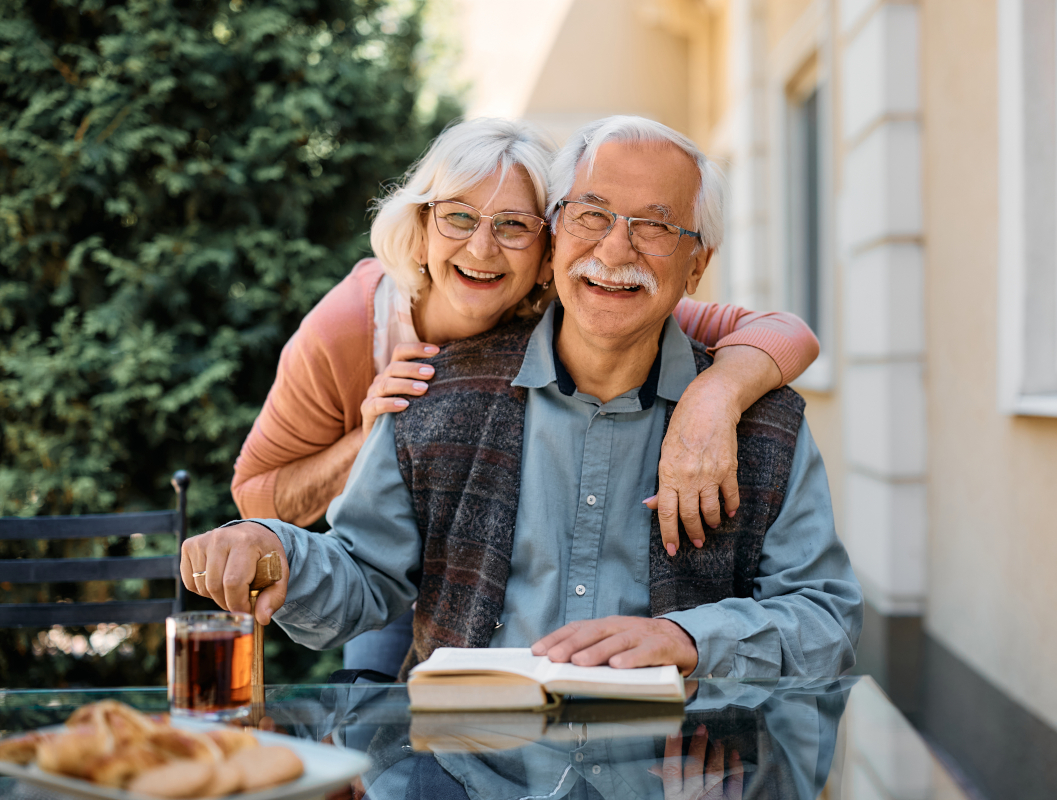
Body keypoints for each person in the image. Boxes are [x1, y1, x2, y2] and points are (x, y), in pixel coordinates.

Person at [185, 115, 860, 685]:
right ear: (560, 234)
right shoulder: (427, 391)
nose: (615, 248)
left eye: (653, 227)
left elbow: (826, 619)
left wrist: (692, 641)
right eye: (592, 215)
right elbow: (363, 572)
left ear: (696, 265)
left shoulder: (765, 423)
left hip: (686, 768)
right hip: (468, 770)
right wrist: (273, 545)